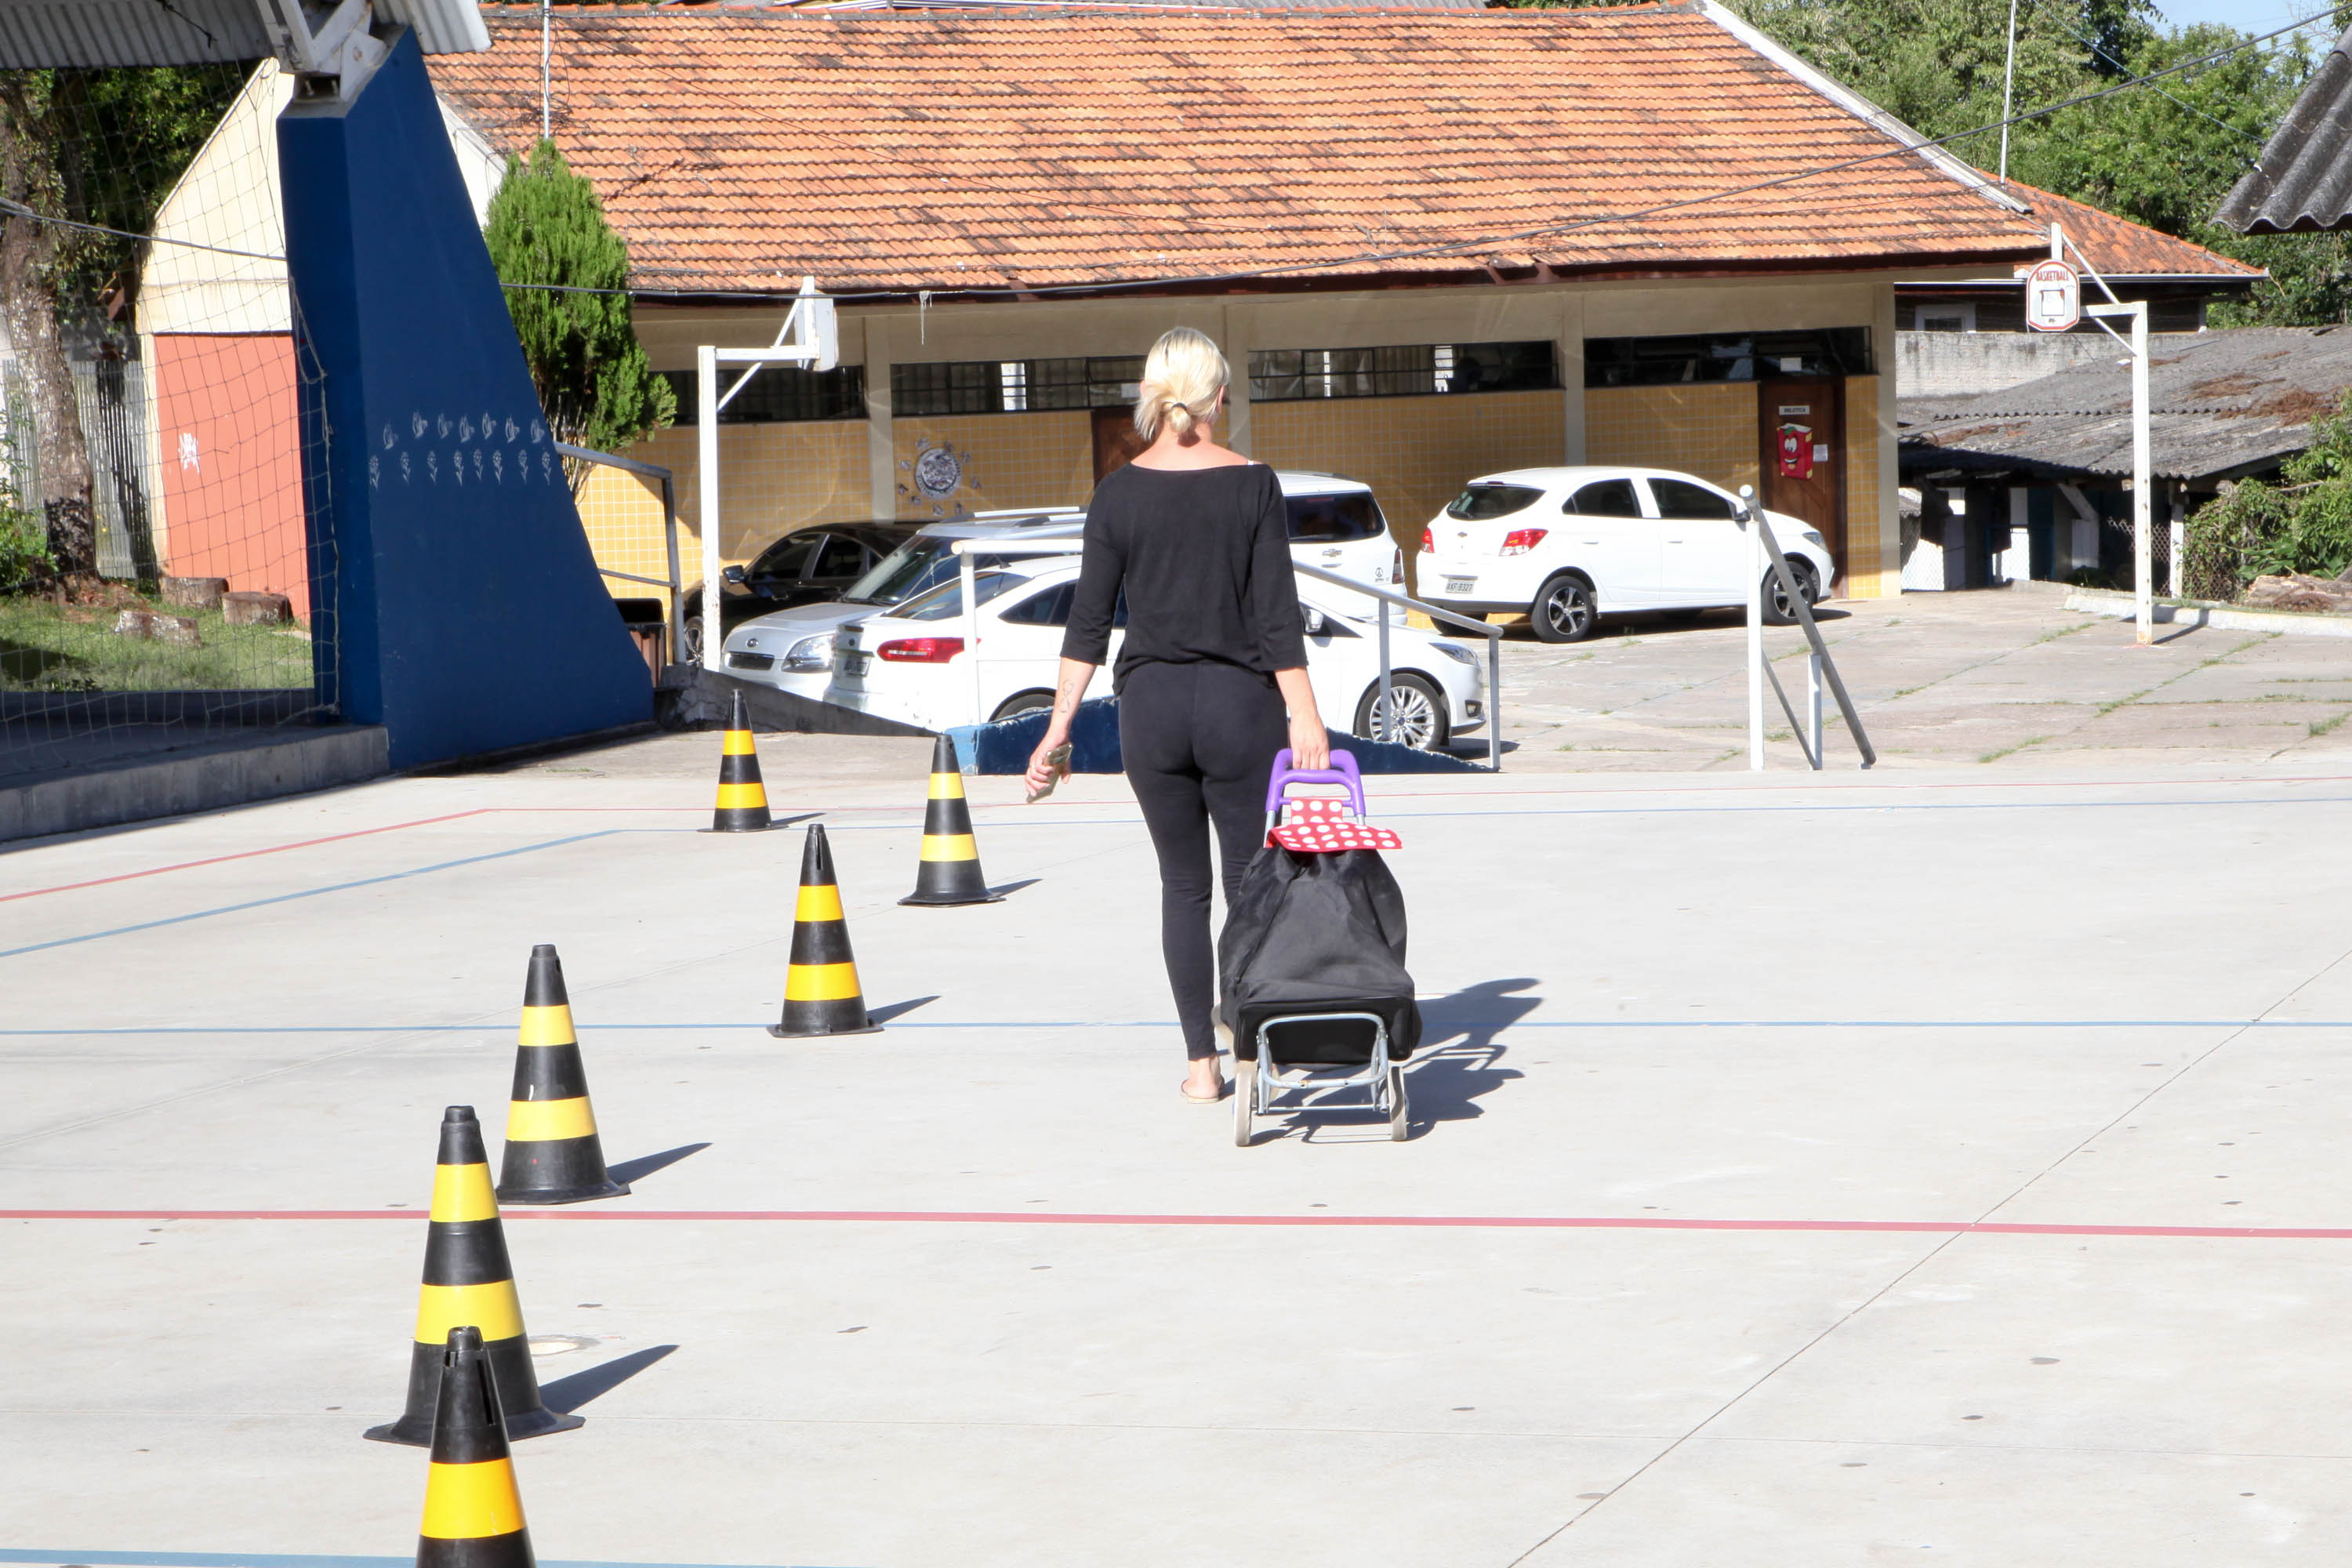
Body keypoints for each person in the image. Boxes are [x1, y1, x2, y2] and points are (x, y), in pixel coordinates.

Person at [1025, 327, 1330, 1104]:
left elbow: (1087, 623)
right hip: (1238, 707)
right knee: (1246, 883)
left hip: (1152, 712)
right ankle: (1254, 1037)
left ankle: (1202, 1066)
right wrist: (1306, 713)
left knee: (1182, 887)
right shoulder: (1252, 483)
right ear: (1215, 396)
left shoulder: (1117, 492)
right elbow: (1275, 617)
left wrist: (1057, 728)